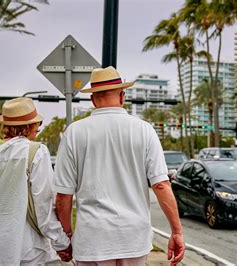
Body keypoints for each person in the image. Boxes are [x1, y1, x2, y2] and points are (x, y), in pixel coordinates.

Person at [54, 66, 185, 265]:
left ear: (93, 99)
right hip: (133, 239)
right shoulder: (144, 130)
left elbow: (63, 195)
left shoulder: (74, 132)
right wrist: (176, 231)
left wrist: (66, 237)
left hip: (92, 240)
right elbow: (161, 185)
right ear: (122, 96)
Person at [0, 97, 72, 265]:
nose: (37, 129)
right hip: (28, 249)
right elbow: (44, 209)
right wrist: (62, 243)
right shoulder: (37, 152)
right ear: (29, 126)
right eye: (37, 125)